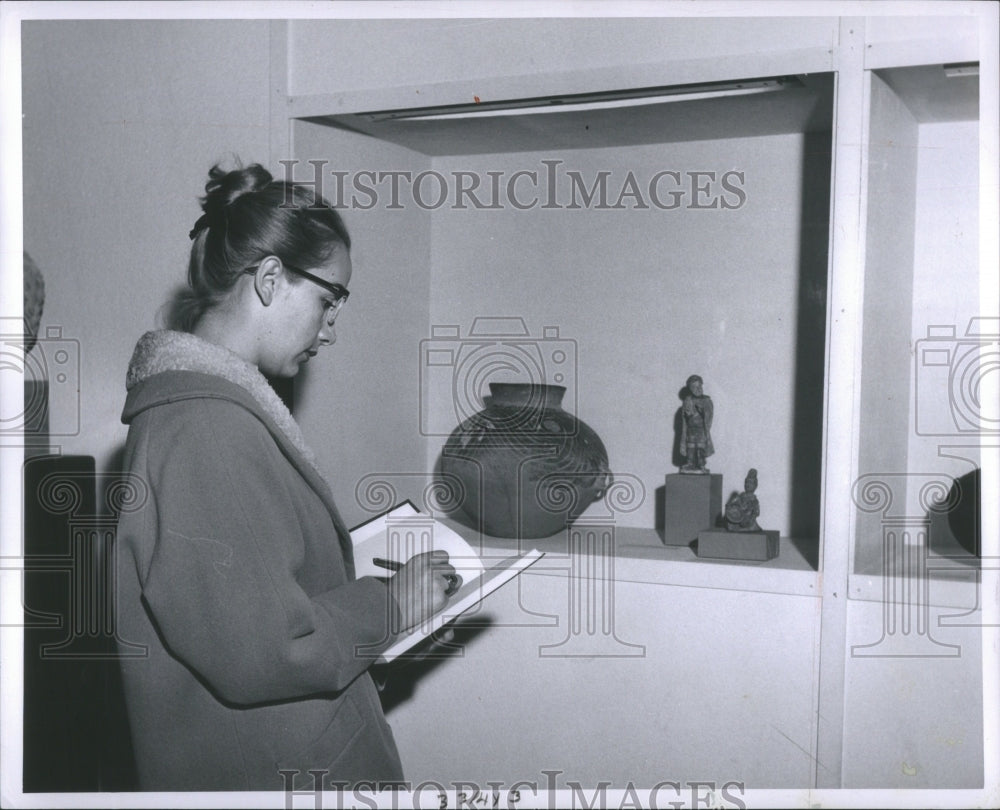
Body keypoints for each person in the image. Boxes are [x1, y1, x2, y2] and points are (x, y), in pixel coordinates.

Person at [114, 162, 458, 792]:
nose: (332, 329)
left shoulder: (216, 416)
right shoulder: (203, 431)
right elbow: (264, 650)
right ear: (270, 279)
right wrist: (393, 602)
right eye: (330, 299)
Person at [679, 374, 714, 473]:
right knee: (690, 447)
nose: (697, 389)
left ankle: (701, 464)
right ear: (690, 389)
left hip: (701, 430)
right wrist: (688, 414)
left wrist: (702, 412)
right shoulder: (688, 400)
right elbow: (685, 416)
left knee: (700, 447)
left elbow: (709, 415)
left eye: (699, 386)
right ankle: (690, 463)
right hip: (690, 430)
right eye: (694, 387)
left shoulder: (706, 401)